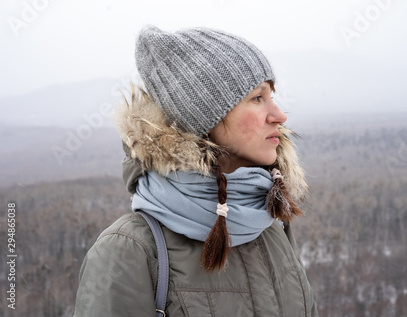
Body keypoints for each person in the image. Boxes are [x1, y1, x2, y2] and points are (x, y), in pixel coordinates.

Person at [73, 25, 318, 316]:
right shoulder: (129, 250)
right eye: (257, 98)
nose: (279, 115)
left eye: (272, 96)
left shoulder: (271, 222)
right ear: (203, 118)